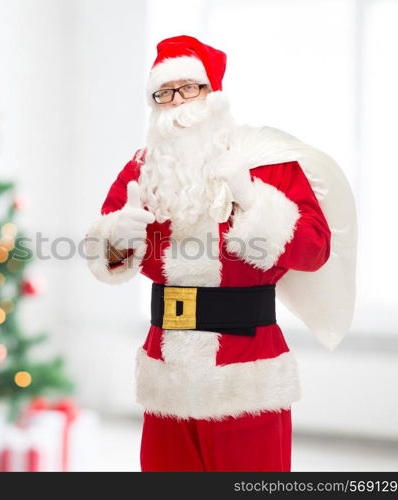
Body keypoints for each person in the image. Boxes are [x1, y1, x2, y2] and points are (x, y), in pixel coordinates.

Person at [85, 35, 357, 472]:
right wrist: (117, 236)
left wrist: (254, 201)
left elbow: (315, 250)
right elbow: (105, 254)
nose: (177, 102)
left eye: (189, 88)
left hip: (247, 372)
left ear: (214, 93)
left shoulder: (266, 161)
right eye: (164, 92)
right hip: (167, 375)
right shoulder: (143, 170)